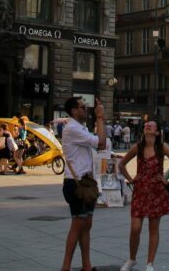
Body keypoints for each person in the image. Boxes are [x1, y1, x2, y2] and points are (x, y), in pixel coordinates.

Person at [117, 120, 169, 271]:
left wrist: (168, 180)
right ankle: (132, 259)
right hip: (140, 191)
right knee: (135, 228)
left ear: (157, 132)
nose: (148, 126)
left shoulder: (162, 147)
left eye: (151, 125)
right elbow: (121, 164)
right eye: (146, 125)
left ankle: (150, 264)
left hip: (157, 192)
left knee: (153, 228)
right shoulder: (138, 147)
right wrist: (130, 179)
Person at [60, 96, 106, 271]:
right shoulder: (72, 128)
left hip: (85, 182)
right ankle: (66, 267)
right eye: (82, 107)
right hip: (76, 183)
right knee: (78, 225)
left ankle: (87, 266)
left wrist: (100, 119)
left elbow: (100, 144)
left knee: (86, 224)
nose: (85, 109)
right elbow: (101, 142)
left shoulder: (79, 127)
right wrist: (100, 118)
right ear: (73, 110)